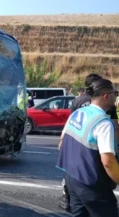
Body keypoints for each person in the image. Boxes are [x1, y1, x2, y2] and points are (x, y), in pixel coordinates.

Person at [56, 78, 119, 217]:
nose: (116, 96)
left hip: (72, 179)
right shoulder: (103, 124)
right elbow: (108, 162)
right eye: (115, 93)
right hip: (91, 183)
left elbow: (62, 142)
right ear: (106, 96)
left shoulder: (78, 113)